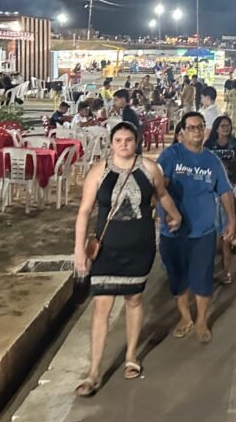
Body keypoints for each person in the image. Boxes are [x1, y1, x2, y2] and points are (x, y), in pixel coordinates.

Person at [72, 121, 182, 396]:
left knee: (134, 299)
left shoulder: (149, 168)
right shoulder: (99, 171)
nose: (123, 145)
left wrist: (175, 215)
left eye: (128, 140)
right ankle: (94, 370)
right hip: (107, 249)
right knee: (101, 305)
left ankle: (131, 355)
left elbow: (162, 194)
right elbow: (85, 211)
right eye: (118, 140)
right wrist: (78, 250)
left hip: (139, 246)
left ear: (136, 142)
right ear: (111, 143)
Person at [157, 111, 236, 344]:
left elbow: (224, 191)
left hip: (203, 231)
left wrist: (231, 220)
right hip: (172, 231)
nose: (197, 131)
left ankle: (201, 319)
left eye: (200, 126)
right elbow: (159, 187)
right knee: (178, 278)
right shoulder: (170, 156)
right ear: (181, 133)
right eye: (191, 127)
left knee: (202, 277)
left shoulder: (212, 160)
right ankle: (185, 317)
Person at [205, 116, 236, 283]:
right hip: (212, 190)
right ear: (216, 128)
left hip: (231, 186)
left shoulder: (235, 143)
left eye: (228, 125)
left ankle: (226, 272)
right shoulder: (209, 145)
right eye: (222, 125)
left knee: (225, 239)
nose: (226, 128)